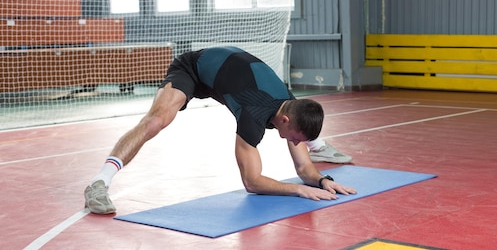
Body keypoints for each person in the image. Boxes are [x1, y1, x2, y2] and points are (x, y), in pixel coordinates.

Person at [84, 46, 356, 214]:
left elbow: (304, 170)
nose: (294, 143)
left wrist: (321, 181)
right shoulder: (253, 117)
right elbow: (252, 182)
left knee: (303, 147)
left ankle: (319, 145)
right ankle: (100, 182)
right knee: (156, 121)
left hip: (228, 69)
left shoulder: (292, 109)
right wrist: (298, 190)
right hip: (192, 69)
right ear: (284, 121)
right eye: (296, 138)